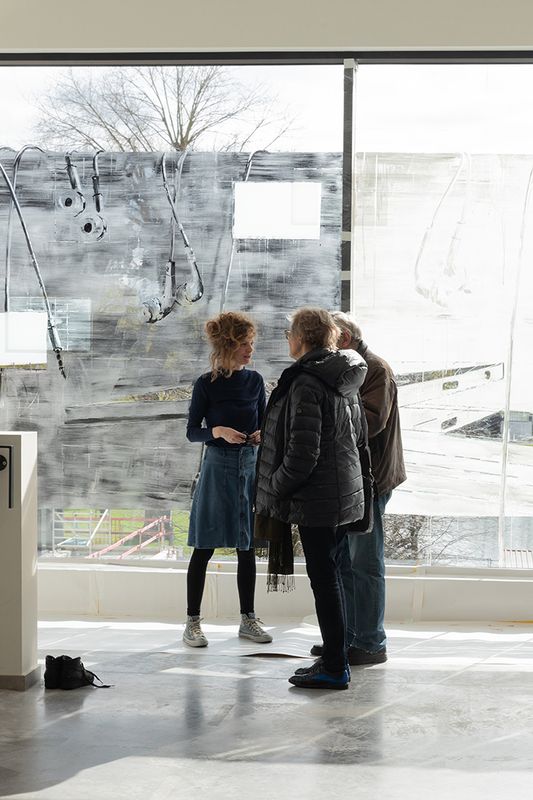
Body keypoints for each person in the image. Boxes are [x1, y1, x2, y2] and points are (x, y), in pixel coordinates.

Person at [255, 307, 368, 689]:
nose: (287, 339)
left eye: (289, 333)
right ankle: (337, 658)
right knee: (332, 577)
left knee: (325, 582)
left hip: (318, 500)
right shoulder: (342, 374)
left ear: (302, 337)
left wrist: (274, 485)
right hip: (340, 494)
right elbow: (357, 436)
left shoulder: (308, 381)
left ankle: (334, 668)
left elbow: (303, 454)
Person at [309, 312, 406, 665]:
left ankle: (370, 642)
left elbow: (371, 422)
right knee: (346, 563)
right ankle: (346, 637)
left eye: (330, 340)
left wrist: (323, 414)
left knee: (364, 563)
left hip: (372, 480)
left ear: (345, 339)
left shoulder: (375, 370)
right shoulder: (352, 367)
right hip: (355, 479)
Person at [184, 311, 272, 647]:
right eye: (244, 344)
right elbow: (193, 432)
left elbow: (265, 423)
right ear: (227, 345)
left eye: (251, 343)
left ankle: (248, 620)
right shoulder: (205, 384)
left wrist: (262, 434)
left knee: (246, 546)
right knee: (203, 546)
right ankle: (192, 622)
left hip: (249, 466)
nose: (250, 350)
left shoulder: (255, 381)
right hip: (216, 467)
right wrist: (217, 431)